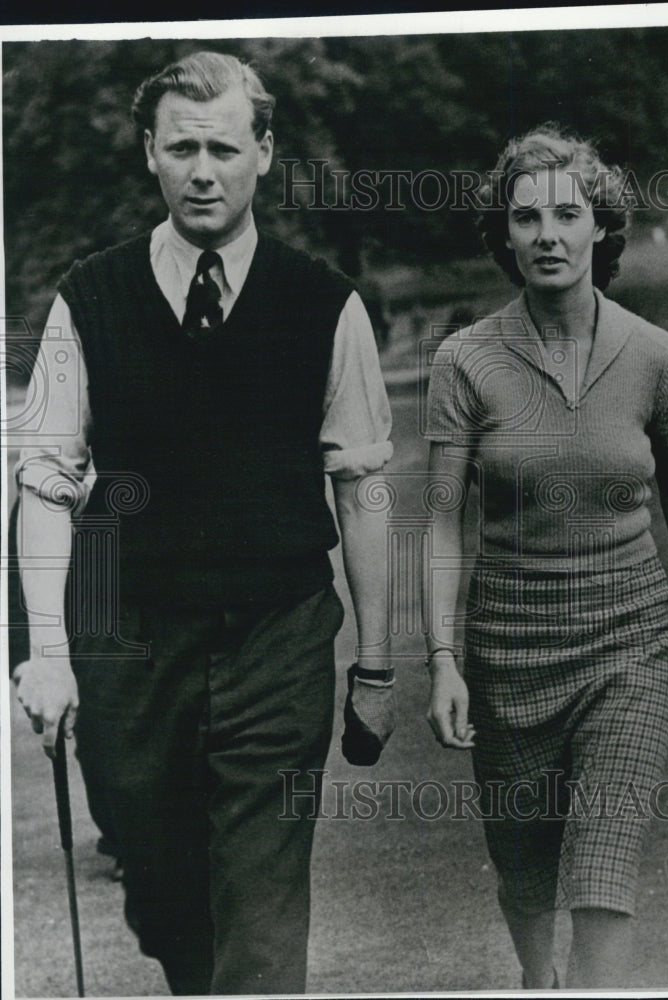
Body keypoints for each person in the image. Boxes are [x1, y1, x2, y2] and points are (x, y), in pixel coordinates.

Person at [14, 50, 395, 996]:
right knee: (163, 888)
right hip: (129, 641)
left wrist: (378, 666)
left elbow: (361, 490)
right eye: (181, 147)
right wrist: (53, 653)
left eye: (223, 147)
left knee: (261, 913)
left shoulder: (325, 306)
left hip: (278, 635)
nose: (202, 170)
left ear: (263, 152)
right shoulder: (88, 300)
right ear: (150, 152)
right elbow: (48, 483)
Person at [423, 124, 668, 989]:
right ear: (503, 235)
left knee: (603, 865)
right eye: (526, 219)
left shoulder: (655, 356)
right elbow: (442, 522)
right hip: (505, 651)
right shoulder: (465, 361)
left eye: (567, 215)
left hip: (628, 645)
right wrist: (445, 661)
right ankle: (541, 983)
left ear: (601, 226)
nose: (547, 236)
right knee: (526, 874)